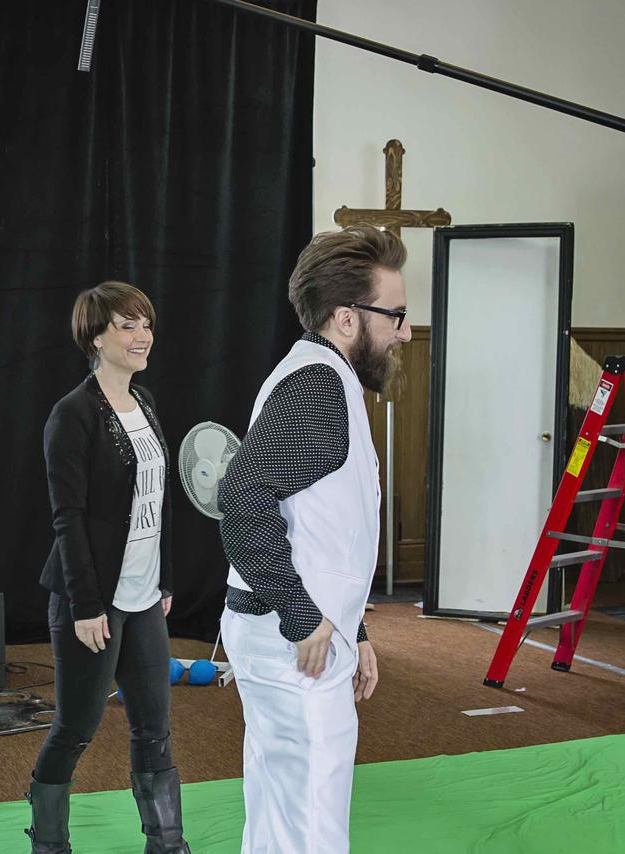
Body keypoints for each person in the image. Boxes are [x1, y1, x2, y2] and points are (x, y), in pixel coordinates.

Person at [218, 225, 405, 854]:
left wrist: (357, 629)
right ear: (347, 319)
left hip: (303, 635)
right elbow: (241, 500)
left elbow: (328, 527)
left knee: (287, 817)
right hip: (293, 641)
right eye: (396, 315)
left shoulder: (326, 380)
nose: (405, 332)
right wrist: (304, 618)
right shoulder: (316, 387)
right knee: (309, 826)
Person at [27, 282, 190, 854]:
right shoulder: (71, 415)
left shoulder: (146, 403)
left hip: (144, 597)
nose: (142, 335)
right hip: (93, 601)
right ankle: (49, 844)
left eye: (146, 323)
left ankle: (166, 843)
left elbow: (158, 500)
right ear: (96, 337)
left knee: (155, 727)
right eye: (127, 325)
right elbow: (67, 518)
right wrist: (86, 605)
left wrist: (164, 578)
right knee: (75, 729)